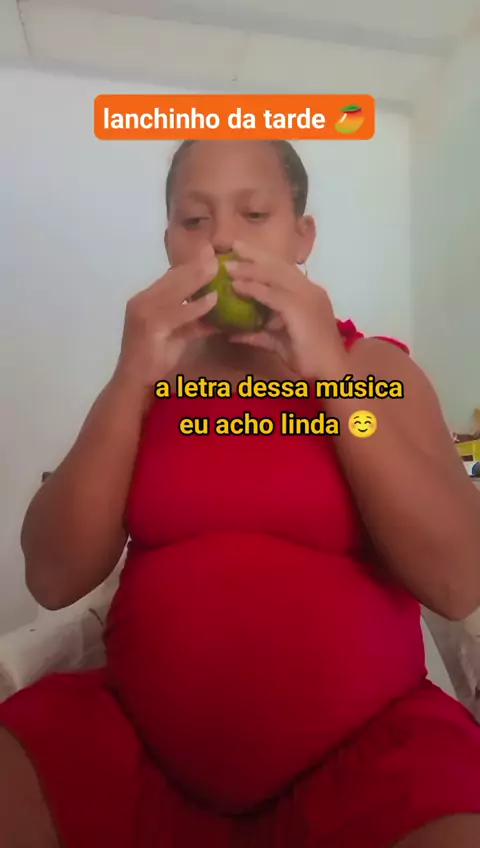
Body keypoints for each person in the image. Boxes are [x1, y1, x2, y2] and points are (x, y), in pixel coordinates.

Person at [1, 139, 480, 848]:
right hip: (133, 753)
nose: (222, 238)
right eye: (194, 220)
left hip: (366, 760)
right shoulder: (151, 383)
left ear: (302, 236)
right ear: (169, 241)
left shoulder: (374, 371)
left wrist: (329, 376)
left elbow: (458, 580)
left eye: (254, 214)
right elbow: (52, 577)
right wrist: (131, 379)